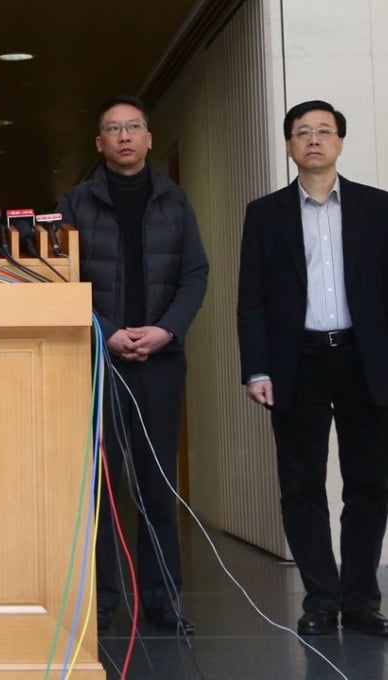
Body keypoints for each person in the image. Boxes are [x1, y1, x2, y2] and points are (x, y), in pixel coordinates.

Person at [237, 100, 388, 637]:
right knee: (301, 486)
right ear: (289, 145)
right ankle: (321, 599)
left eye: (325, 131)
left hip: (364, 360)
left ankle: (362, 600)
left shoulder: (377, 208)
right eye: (303, 133)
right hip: (294, 360)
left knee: (368, 485)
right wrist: (256, 368)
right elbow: (250, 298)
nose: (315, 140)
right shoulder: (265, 213)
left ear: (341, 142)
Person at [59, 95, 208, 635]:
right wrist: (107, 331)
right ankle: (100, 599)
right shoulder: (75, 203)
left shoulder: (176, 201)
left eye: (134, 127)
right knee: (100, 483)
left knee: (157, 483)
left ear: (148, 137)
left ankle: (162, 599)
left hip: (162, 362)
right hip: (100, 359)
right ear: (99, 144)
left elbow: (195, 274)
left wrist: (165, 329)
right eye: (112, 129)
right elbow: (65, 279)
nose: (124, 136)